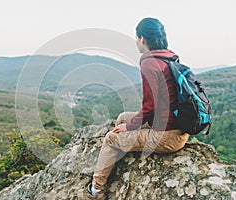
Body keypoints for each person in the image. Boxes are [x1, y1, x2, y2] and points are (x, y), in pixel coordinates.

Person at [78, 17, 189, 200]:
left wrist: (129, 128)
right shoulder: (169, 57)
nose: (136, 42)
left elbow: (149, 106)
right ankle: (114, 157)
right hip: (178, 129)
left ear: (142, 39)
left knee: (112, 138)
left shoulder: (149, 62)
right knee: (122, 117)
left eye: (136, 38)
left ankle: (95, 191)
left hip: (166, 136)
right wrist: (128, 124)